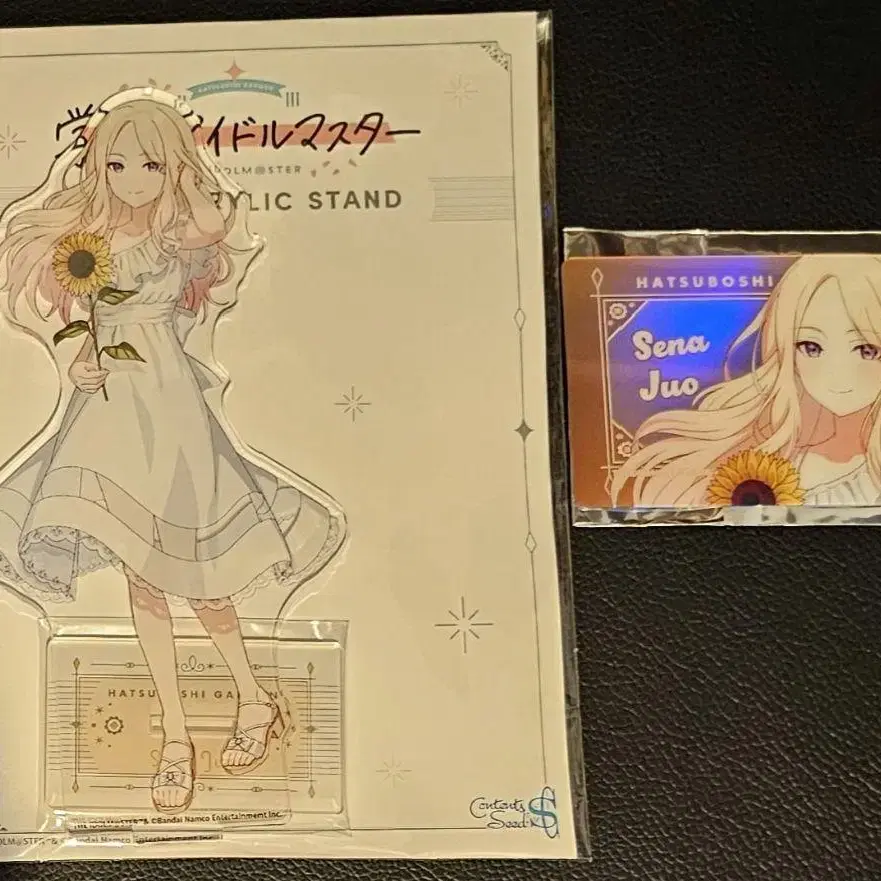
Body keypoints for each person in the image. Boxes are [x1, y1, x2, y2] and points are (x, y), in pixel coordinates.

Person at [0, 89, 345, 814]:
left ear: (173, 167)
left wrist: (184, 171)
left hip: (170, 405)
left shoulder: (176, 231)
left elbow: (214, 223)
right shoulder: (88, 241)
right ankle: (176, 738)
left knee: (201, 575)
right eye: (117, 164)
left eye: (149, 164)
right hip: (106, 410)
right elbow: (84, 318)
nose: (131, 179)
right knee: (143, 577)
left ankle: (252, 699)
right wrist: (79, 361)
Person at [612, 254, 881, 508]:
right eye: (811, 347)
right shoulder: (767, 464)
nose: (837, 375)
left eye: (867, 350)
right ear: (785, 350)